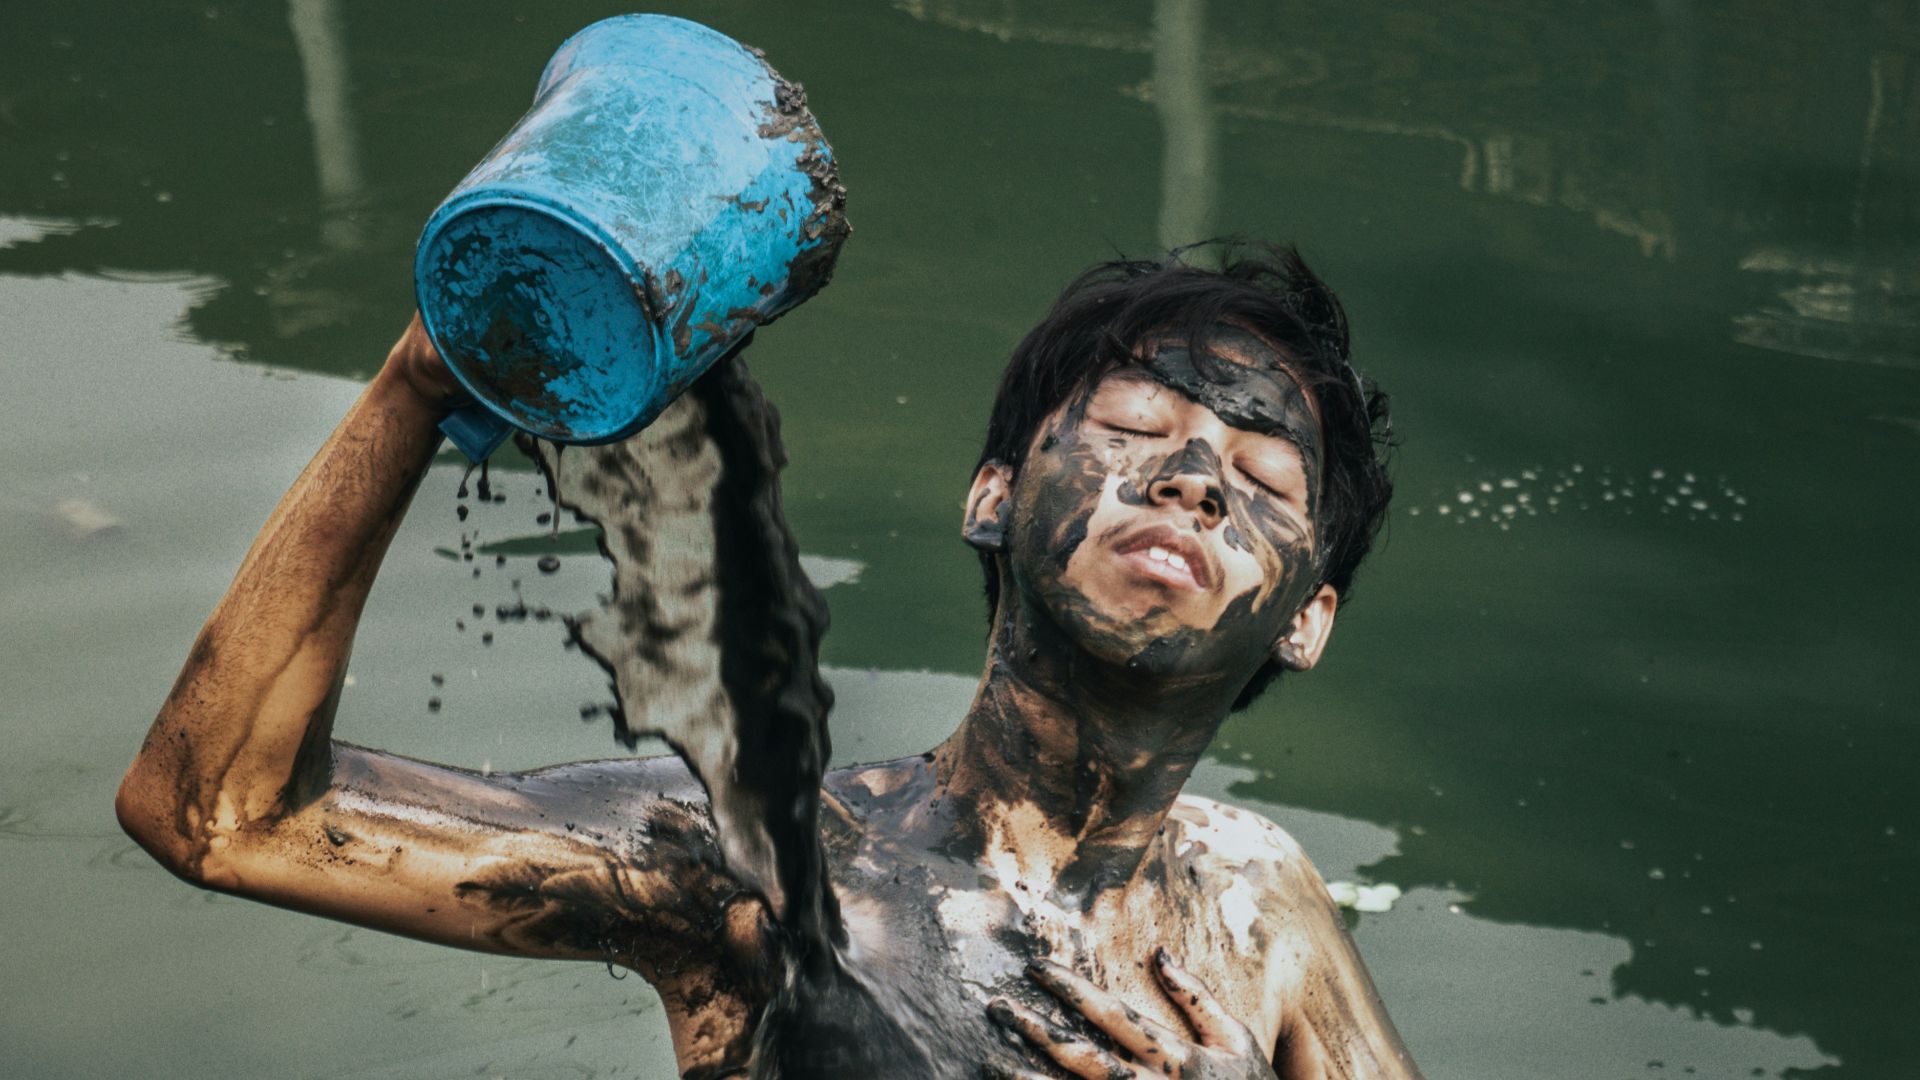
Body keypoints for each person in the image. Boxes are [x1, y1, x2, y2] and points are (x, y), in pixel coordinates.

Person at [117, 242, 1422, 1079]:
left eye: (1261, 478)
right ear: (992, 496)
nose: (1192, 476)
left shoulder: (1259, 904)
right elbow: (217, 812)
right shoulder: (757, 868)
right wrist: (420, 384)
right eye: (1134, 425)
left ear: (1305, 619)